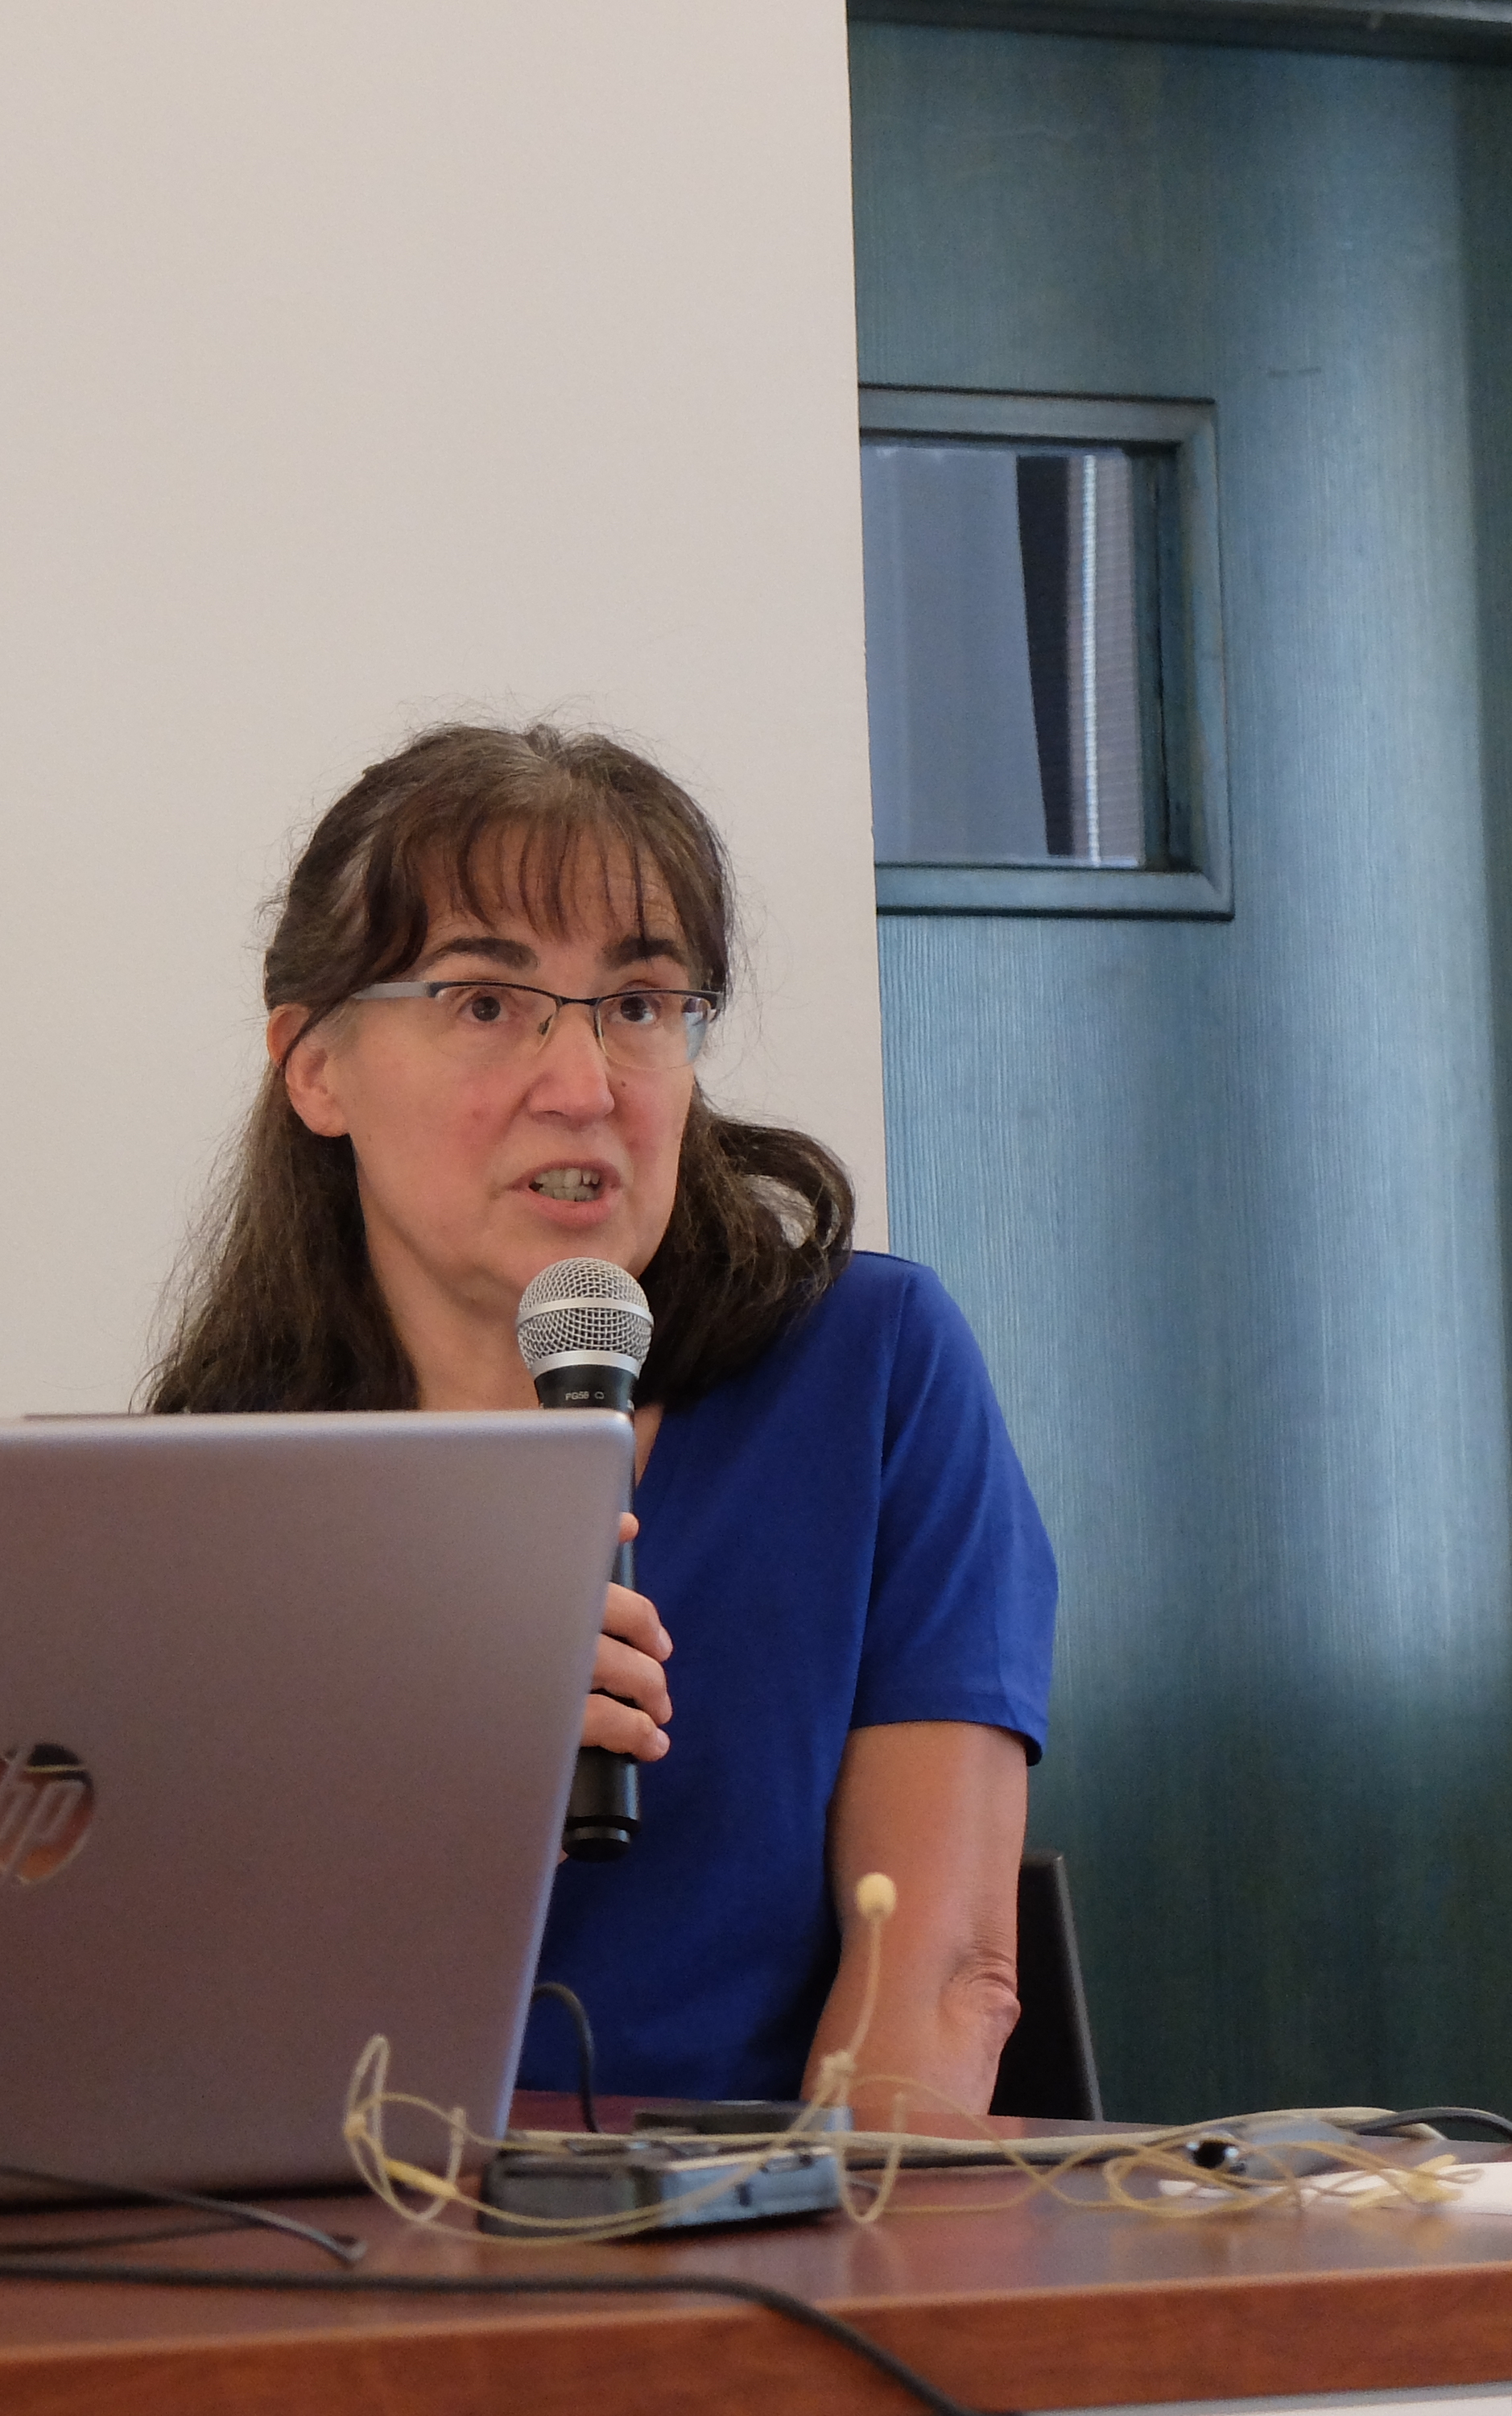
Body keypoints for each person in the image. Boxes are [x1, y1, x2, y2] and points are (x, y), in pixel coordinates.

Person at [147, 722, 1055, 2114]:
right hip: (351, 2205)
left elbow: (939, 1979)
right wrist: (410, 1780)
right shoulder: (213, 1483)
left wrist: (805, 2238)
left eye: (637, 1004)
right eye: (485, 1003)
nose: (584, 1088)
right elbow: (172, 2017)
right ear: (316, 1066)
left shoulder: (870, 1371)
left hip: (768, 2215)